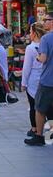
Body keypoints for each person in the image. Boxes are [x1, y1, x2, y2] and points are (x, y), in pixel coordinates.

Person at [25, 12, 53, 146]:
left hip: (47, 80)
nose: (44, 22)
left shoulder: (46, 39)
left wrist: (37, 57)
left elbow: (43, 59)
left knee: (40, 110)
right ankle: (50, 136)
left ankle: (39, 136)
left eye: (47, 19)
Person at [21, 22, 47, 137]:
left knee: (33, 107)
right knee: (48, 108)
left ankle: (35, 129)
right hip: (45, 78)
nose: (29, 34)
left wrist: (23, 83)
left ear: (35, 33)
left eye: (30, 32)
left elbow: (26, 68)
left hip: (33, 79)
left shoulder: (30, 48)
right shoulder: (46, 44)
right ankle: (49, 132)